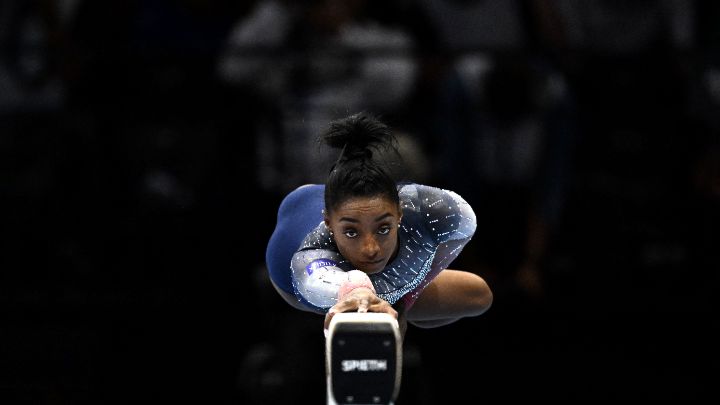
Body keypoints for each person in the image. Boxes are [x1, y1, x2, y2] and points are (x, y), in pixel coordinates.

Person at [265, 112, 493, 337]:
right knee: (361, 315)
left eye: (383, 229)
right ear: (329, 224)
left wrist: (406, 300)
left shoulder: (443, 211)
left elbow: (463, 228)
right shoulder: (311, 257)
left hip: (345, 204)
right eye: (352, 232)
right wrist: (359, 293)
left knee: (480, 296)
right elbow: (332, 282)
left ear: (399, 213)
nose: (371, 248)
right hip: (295, 244)